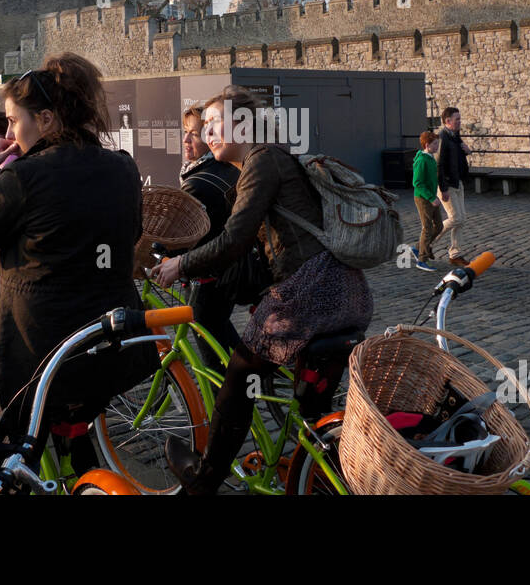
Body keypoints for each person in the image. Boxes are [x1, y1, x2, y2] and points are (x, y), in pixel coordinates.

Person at [151, 85, 374, 495]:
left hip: (310, 293)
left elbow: (235, 239)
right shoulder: (274, 158)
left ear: (242, 123)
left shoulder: (261, 159)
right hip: (345, 292)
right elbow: (262, 247)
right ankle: (320, 476)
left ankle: (204, 480)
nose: (208, 133)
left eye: (215, 123)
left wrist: (179, 264)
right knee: (311, 410)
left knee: (239, 373)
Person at [0, 53, 155, 464]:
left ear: (44, 120)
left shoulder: (22, 176)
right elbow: (128, 237)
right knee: (77, 443)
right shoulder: (122, 168)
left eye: (12, 121)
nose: (8, 134)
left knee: (9, 461)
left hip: (36, 356)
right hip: (106, 347)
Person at [177, 105, 242, 370]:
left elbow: (180, 232)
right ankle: (259, 379)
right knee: (224, 335)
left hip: (207, 276)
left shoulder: (197, 182)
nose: (186, 140)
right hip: (228, 274)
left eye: (194, 134)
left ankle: (220, 404)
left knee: (210, 362)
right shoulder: (227, 169)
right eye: (185, 133)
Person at [436, 106, 472, 266]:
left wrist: (467, 151)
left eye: (460, 119)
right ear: (448, 121)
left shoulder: (455, 136)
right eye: (457, 119)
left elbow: (457, 156)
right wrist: (443, 189)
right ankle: (425, 243)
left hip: (458, 182)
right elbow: (438, 165)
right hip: (447, 184)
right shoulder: (442, 138)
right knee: (455, 218)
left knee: (462, 219)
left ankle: (455, 254)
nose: (460, 122)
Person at [409, 130, 441, 272]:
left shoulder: (430, 158)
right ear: (427, 145)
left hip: (431, 197)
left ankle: (418, 247)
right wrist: (431, 197)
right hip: (423, 198)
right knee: (427, 228)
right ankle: (422, 260)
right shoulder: (422, 160)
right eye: (435, 144)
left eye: (437, 143)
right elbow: (417, 183)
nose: (437, 146)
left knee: (439, 226)